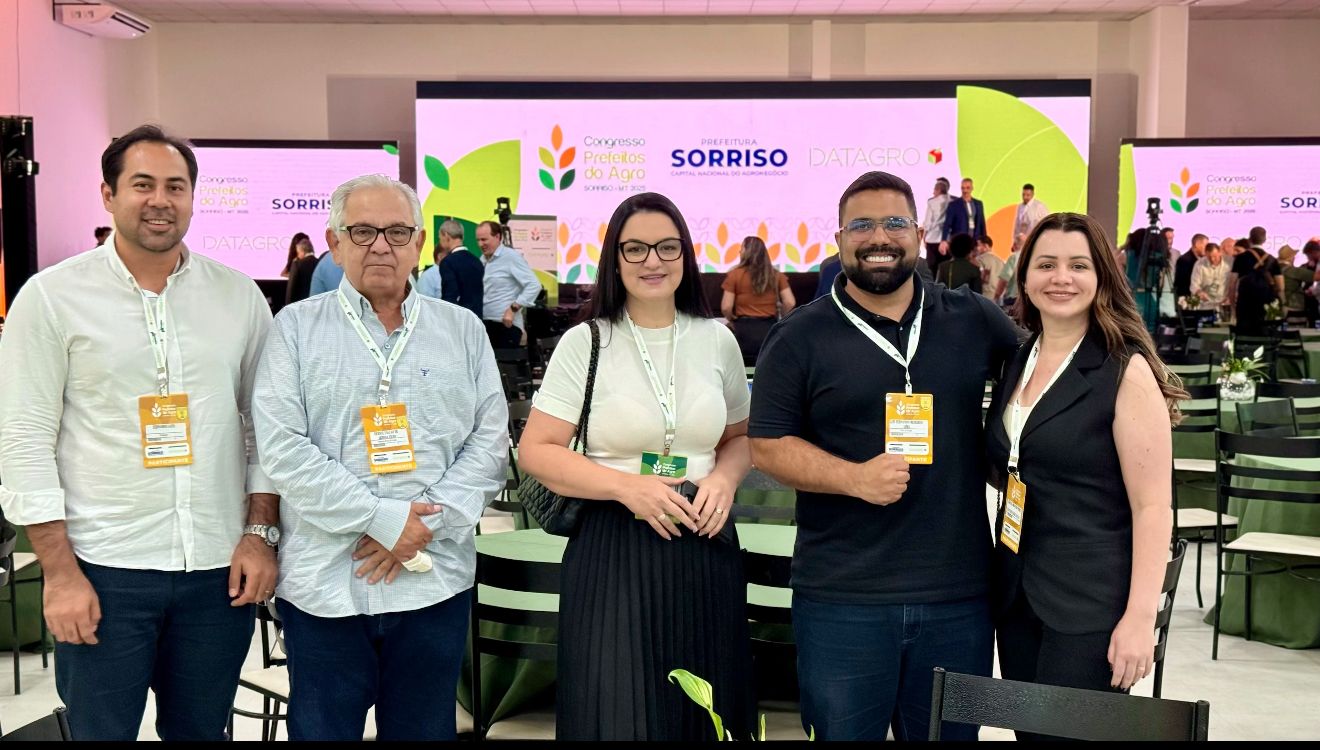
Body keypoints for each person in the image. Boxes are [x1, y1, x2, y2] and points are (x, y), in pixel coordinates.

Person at [0, 125, 279, 741]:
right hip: (104, 569)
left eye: (175, 187)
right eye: (142, 184)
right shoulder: (51, 298)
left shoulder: (238, 296)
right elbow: (23, 440)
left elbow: (265, 427)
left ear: (193, 197)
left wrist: (260, 535)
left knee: (202, 732)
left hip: (216, 572)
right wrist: (59, 573)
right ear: (108, 194)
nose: (160, 200)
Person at [748, 171, 1020, 741]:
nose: (879, 237)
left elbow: (1048, 371)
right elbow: (767, 446)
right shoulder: (799, 336)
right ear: (839, 239)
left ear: (919, 234)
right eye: (862, 225)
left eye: (895, 222)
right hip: (842, 599)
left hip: (958, 596)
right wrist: (852, 478)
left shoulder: (973, 318)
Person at [252, 175, 506, 741]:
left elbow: (489, 444)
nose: (381, 246)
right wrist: (385, 520)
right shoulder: (295, 329)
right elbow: (282, 447)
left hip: (433, 581)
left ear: (419, 243)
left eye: (396, 232)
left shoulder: (462, 330)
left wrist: (420, 527)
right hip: (325, 585)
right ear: (334, 243)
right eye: (362, 232)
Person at [517, 192, 755, 741]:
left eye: (667, 247)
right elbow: (537, 450)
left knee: (705, 710)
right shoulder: (587, 341)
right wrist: (627, 488)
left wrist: (724, 478)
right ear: (615, 258)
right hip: (613, 545)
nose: (653, 261)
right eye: (636, 248)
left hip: (704, 539)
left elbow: (741, 438)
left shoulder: (716, 339)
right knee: (619, 705)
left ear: (685, 255)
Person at [984, 213, 1180, 739]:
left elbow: (1153, 507)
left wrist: (1140, 618)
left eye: (1078, 265)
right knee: (1031, 733)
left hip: (1091, 604)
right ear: (1025, 276)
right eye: (1046, 264)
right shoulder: (1018, 359)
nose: (1061, 278)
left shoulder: (1125, 369)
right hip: (1018, 592)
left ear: (1101, 277)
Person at [721, 235, 795, 365]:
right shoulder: (776, 275)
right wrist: (782, 317)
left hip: (742, 331)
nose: (739, 251)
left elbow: (726, 307)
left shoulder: (734, 275)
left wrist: (732, 319)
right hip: (769, 330)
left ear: (747, 251)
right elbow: (790, 302)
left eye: (742, 248)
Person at [477, 220, 540, 348]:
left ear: (497, 237)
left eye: (484, 239)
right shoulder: (482, 260)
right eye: (478, 240)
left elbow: (534, 285)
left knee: (504, 361)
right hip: (486, 324)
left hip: (506, 325)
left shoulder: (511, 257)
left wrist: (512, 309)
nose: (480, 244)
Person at [1228, 236, 1282, 336]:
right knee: (1265, 334)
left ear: (1250, 240)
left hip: (1245, 304)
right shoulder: (1272, 260)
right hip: (1266, 305)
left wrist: (1232, 308)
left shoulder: (1240, 258)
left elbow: (1232, 284)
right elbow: (1281, 287)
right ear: (1264, 240)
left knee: (1244, 335)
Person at [437, 219, 485, 317]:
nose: (440, 242)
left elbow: (450, 297)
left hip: (458, 319)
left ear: (446, 235)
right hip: (477, 318)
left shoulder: (448, 262)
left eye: (440, 237)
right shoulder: (477, 261)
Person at [940, 177, 986, 257]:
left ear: (972, 188)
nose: (965, 191)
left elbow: (982, 223)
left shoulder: (978, 204)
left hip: (975, 242)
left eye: (967, 188)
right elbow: (947, 224)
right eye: (963, 188)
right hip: (959, 242)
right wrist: (944, 240)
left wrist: (984, 241)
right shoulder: (953, 205)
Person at [1190, 242, 1230, 316]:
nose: (1212, 259)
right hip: (1206, 305)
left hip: (1225, 304)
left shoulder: (1229, 263)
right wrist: (1199, 292)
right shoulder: (1199, 264)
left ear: (1220, 252)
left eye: (1215, 256)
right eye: (1209, 257)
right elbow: (1194, 285)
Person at [1277, 244, 1312, 320]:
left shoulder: (1274, 269)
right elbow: (1316, 276)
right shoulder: (1293, 271)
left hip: (1278, 306)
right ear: (1291, 258)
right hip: (1294, 306)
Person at [923, 177, 952, 272]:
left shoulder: (931, 202)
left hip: (932, 239)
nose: (933, 193)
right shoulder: (953, 201)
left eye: (934, 190)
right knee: (946, 268)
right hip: (947, 240)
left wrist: (924, 237)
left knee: (932, 268)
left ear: (939, 190)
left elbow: (928, 223)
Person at [285, 233, 319, 305]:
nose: (298, 256)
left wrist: (287, 307)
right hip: (316, 305)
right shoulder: (320, 263)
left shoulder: (297, 264)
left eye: (298, 253)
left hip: (300, 306)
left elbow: (291, 291)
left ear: (302, 251)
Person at [1173, 233, 1208, 299]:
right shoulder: (1184, 260)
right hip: (1189, 300)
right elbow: (1182, 284)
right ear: (1197, 244)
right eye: (1205, 246)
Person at [976, 235, 1004, 300]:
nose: (977, 248)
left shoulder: (979, 260)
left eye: (978, 245)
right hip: (997, 298)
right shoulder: (1001, 261)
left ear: (985, 246)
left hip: (983, 295)